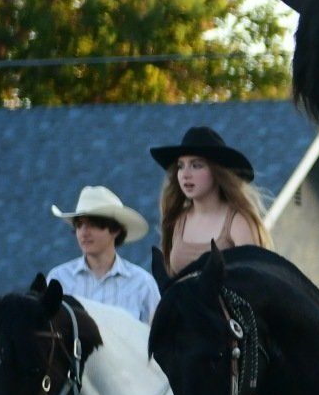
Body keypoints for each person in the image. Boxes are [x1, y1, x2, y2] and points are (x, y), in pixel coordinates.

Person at [150, 123, 270, 279]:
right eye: (180, 166)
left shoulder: (237, 221)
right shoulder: (178, 221)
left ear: (216, 172)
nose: (185, 174)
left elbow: (253, 282)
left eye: (196, 165)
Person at [46, 184, 161, 325]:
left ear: (115, 230)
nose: (84, 232)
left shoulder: (142, 284)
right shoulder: (58, 279)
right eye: (79, 225)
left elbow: (157, 340)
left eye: (93, 224)